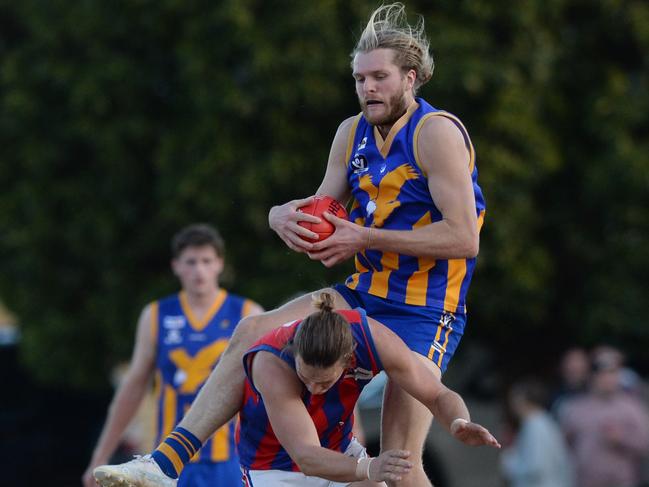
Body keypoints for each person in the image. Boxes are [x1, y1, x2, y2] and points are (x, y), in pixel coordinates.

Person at [93, 3, 485, 486]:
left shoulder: (436, 133)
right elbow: (321, 208)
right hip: (363, 292)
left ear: (412, 77)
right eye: (360, 79)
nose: (367, 89)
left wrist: (362, 236)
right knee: (253, 331)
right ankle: (164, 465)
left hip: (426, 309)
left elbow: (464, 237)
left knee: (402, 466)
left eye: (379, 77)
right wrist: (280, 215)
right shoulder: (350, 134)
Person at [96, 293, 500, 487]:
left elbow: (437, 394)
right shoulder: (271, 363)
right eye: (305, 377)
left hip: (339, 453)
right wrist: (371, 468)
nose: (312, 387)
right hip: (278, 469)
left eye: (323, 381)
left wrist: (459, 420)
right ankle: (167, 460)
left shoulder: (373, 339)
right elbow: (307, 458)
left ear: (349, 360)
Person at [85, 224, 263, 487]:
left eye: (206, 261)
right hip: (167, 462)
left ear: (219, 264)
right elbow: (133, 388)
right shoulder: (157, 315)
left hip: (232, 460)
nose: (199, 270)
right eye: (191, 262)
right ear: (176, 266)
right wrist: (100, 456)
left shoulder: (248, 313)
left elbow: (267, 386)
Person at [559, 350, 649, 487]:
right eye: (603, 373)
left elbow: (646, 444)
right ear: (592, 376)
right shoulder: (575, 408)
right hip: (586, 482)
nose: (608, 378)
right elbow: (564, 446)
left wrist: (623, 438)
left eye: (613, 373)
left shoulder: (632, 407)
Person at [500, 379, 574, 487]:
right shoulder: (540, 422)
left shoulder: (535, 425)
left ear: (522, 400)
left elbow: (536, 466)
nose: (513, 405)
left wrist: (509, 462)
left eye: (515, 399)